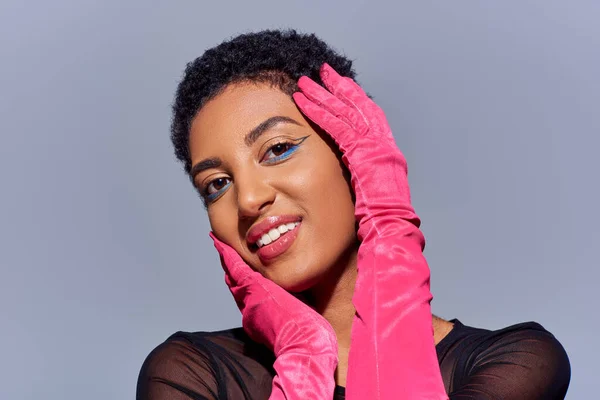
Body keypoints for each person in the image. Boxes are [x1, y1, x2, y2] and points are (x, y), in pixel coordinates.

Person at [136, 30, 571, 399]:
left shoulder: (516, 361)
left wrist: (390, 233)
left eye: (278, 149)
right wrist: (303, 355)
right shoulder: (190, 373)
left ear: (353, 159)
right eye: (217, 184)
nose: (248, 200)